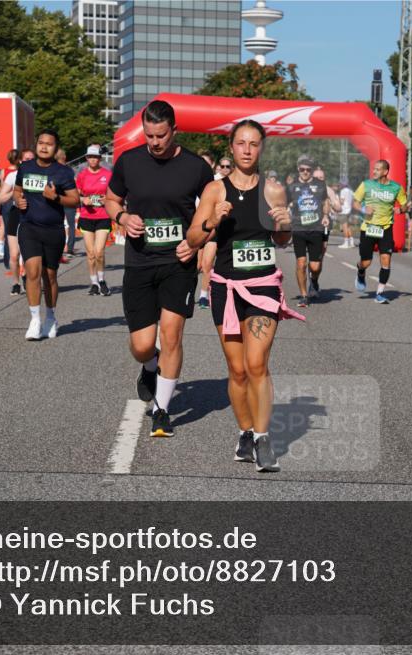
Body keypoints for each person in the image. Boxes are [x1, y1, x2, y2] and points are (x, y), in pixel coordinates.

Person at [186, 119, 303, 472]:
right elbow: (193, 238)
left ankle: (264, 439)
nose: (248, 149)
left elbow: (281, 242)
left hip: (264, 285)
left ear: (262, 148)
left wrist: (284, 225)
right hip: (226, 287)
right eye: (241, 143)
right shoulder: (215, 191)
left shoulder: (273, 190)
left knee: (257, 364)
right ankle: (245, 432)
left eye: (254, 143)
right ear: (232, 147)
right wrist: (212, 223)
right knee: (237, 371)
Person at [104, 100, 212, 438]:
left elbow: (209, 215)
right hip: (139, 263)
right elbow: (110, 199)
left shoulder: (196, 168)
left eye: (161, 135)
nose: (154, 142)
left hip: (178, 264)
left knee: (171, 334)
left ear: (174, 130)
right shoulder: (129, 161)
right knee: (141, 345)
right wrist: (122, 217)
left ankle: (162, 410)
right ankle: (149, 368)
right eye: (149, 136)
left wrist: (195, 242)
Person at [14, 130, 79, 340]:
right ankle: (35, 320)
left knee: (49, 276)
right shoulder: (25, 167)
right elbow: (17, 189)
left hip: (53, 230)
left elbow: (75, 200)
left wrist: (56, 197)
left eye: (49, 144)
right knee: (33, 271)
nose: (43, 147)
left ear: (55, 147)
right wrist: (18, 200)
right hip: (29, 227)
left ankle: (50, 316)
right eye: (40, 143)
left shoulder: (63, 172)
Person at [352, 160, 408, 304]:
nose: (374, 171)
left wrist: (400, 209)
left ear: (385, 172)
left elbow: (404, 205)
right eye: (374, 169)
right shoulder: (366, 185)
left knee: (386, 260)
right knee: (366, 262)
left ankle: (380, 293)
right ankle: (360, 271)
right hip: (368, 228)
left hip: (386, 228)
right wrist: (364, 209)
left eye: (377, 169)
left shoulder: (396, 188)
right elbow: (355, 203)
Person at [286, 155, 333, 307]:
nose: (305, 172)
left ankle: (314, 280)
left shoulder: (320, 184)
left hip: (316, 229)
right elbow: (284, 204)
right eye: (302, 169)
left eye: (308, 170)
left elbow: (325, 201)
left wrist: (326, 215)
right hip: (298, 228)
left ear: (312, 171)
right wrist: (285, 214)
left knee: (315, 266)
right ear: (298, 169)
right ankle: (304, 295)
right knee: (301, 263)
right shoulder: (291, 187)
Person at [75, 144, 113, 295]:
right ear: (86, 158)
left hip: (103, 216)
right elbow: (75, 195)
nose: (93, 159)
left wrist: (107, 199)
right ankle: (94, 283)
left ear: (100, 158)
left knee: (99, 252)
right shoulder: (82, 175)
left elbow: (113, 194)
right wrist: (83, 199)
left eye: (96, 157)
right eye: (90, 157)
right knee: (90, 253)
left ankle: (102, 280)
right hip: (86, 216)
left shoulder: (107, 174)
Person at [197, 156, 232, 310]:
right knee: (201, 264)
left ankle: (204, 295)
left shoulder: (236, 182)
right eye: (223, 166)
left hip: (225, 229)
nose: (225, 169)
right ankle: (201, 292)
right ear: (218, 166)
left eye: (228, 166)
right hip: (207, 226)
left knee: (209, 263)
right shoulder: (212, 182)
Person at [0, 148, 34, 295]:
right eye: (26, 159)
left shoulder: (40, 176)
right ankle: (16, 283)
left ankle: (26, 276)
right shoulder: (13, 176)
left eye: (32, 159)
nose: (29, 162)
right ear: (20, 161)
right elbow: (0, 198)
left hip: (33, 215)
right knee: (14, 255)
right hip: (16, 214)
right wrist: (14, 192)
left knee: (29, 254)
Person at [56, 148, 77, 260]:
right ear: (64, 157)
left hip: (57, 200)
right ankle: (69, 248)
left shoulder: (53, 169)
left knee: (58, 224)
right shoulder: (69, 170)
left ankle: (59, 248)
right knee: (71, 225)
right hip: (68, 200)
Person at [337, 179, 355, 248]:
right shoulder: (351, 191)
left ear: (342, 184)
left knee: (344, 227)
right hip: (349, 210)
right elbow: (353, 200)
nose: (340, 185)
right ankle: (352, 242)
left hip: (344, 211)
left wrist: (337, 201)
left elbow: (341, 202)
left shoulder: (342, 191)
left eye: (340, 184)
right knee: (348, 227)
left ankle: (346, 243)